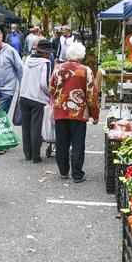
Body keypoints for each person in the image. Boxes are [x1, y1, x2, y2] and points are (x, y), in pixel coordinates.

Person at [50, 42, 99, 183]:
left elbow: (51, 88)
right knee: (78, 143)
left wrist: (59, 100)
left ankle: (63, 171)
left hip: (60, 111)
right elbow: (92, 95)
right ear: (81, 56)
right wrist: (95, 115)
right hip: (78, 112)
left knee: (61, 142)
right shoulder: (85, 71)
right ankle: (77, 174)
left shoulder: (58, 69)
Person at [19, 39, 54, 163]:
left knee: (26, 127)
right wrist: (51, 94)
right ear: (44, 53)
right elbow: (44, 83)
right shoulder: (45, 63)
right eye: (48, 52)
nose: (50, 55)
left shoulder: (28, 59)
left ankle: (27, 154)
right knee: (36, 127)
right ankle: (35, 156)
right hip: (37, 98)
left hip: (23, 96)